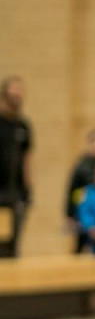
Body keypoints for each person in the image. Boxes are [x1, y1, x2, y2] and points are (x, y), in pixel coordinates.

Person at [0, 76, 33, 257]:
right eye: (13, 93)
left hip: (15, 193)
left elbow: (27, 157)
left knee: (12, 245)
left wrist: (28, 188)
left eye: (19, 93)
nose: (17, 97)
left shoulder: (23, 126)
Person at [66, 127, 95, 253]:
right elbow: (72, 189)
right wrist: (71, 214)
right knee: (81, 244)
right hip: (83, 209)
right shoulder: (82, 164)